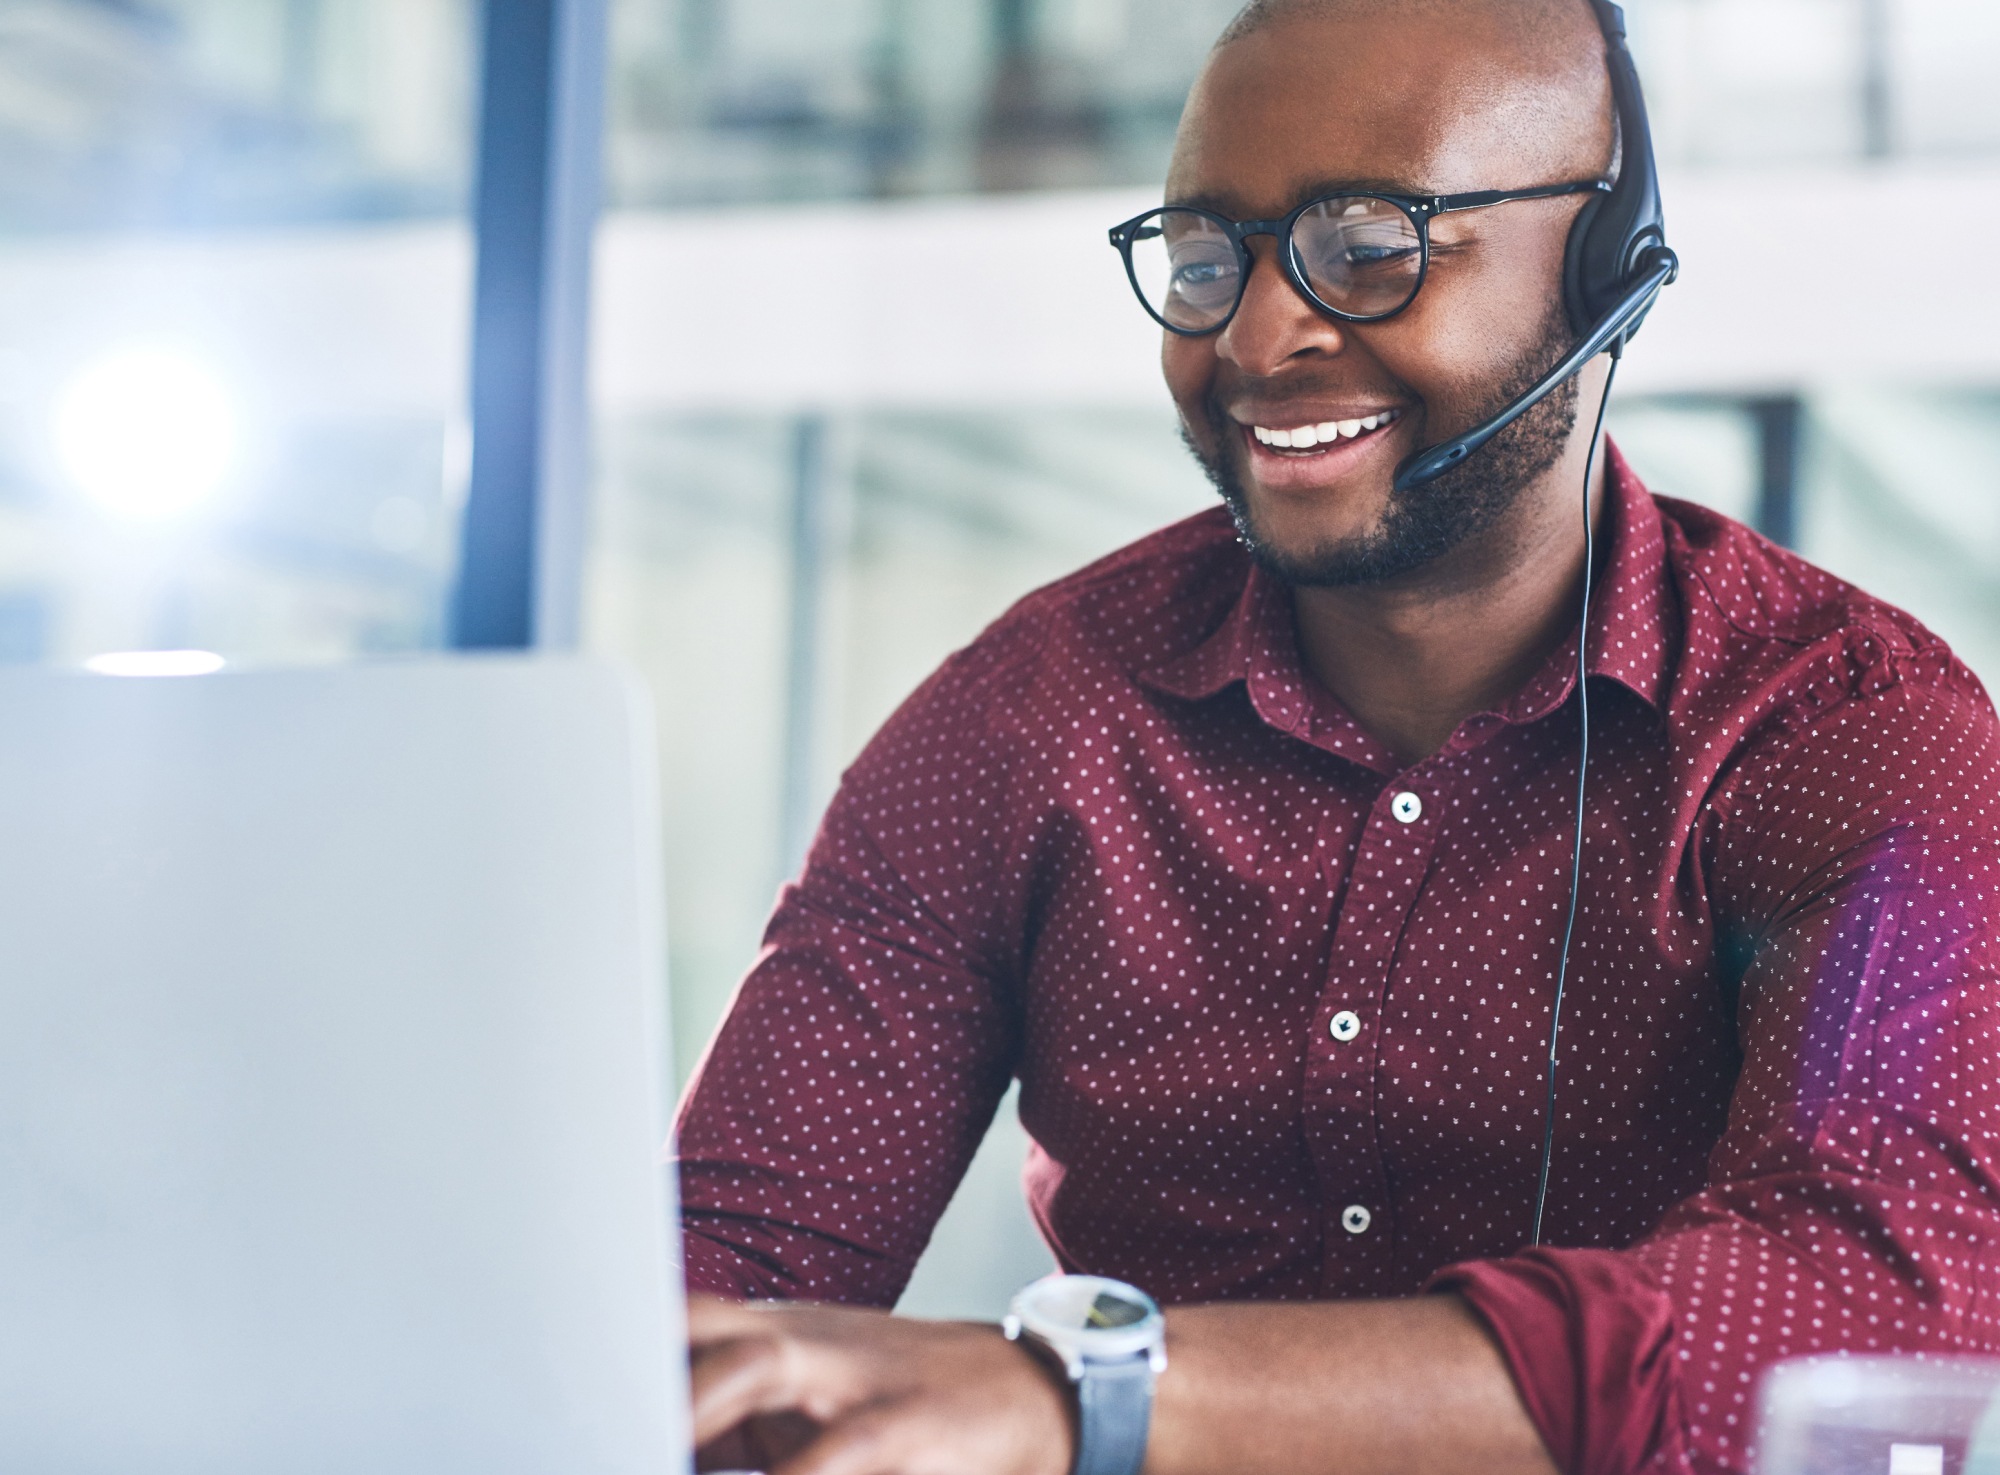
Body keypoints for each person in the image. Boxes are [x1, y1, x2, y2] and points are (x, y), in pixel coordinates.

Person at [674, 2, 2000, 1474]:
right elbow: (719, 1287)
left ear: (1605, 268)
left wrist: (1091, 1399)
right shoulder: (1020, 724)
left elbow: (1872, 1306)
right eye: (1203, 260)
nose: (1256, 335)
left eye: (1369, 248)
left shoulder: (1848, 730)